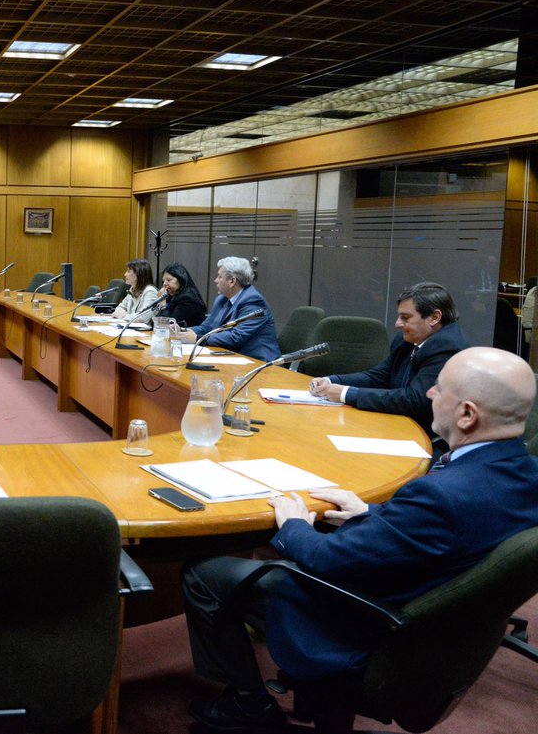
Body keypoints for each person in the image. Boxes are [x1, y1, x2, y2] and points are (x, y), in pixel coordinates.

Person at [181, 346, 538, 731]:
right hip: (434, 622)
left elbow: (330, 561)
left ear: (467, 414)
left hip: (369, 622)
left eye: (439, 388)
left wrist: (293, 527)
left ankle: (248, 704)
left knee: (203, 574)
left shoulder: (440, 496)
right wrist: (371, 513)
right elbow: (452, 528)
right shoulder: (526, 475)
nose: (429, 394)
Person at [308, 282, 467, 437]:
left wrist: (346, 394)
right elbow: (380, 376)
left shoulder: (446, 347)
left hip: (423, 437)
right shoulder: (409, 339)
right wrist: (332, 380)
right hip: (395, 423)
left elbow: (414, 400)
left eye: (405, 317)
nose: (398, 324)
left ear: (434, 317)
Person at [176, 256, 280, 362]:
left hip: (258, 363)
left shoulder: (253, 301)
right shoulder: (222, 300)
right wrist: (182, 331)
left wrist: (198, 339)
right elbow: (206, 328)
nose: (215, 280)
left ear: (232, 281)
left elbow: (236, 336)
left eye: (219, 277)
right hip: (232, 358)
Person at [156, 262, 207, 327]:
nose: (164, 284)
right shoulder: (172, 296)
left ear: (180, 279)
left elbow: (167, 326)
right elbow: (155, 323)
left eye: (168, 280)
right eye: (163, 281)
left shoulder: (188, 299)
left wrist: (163, 303)